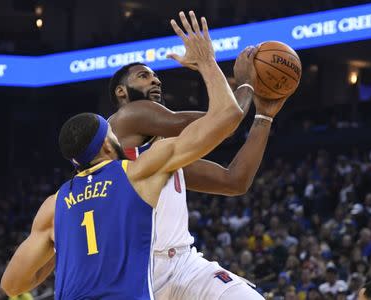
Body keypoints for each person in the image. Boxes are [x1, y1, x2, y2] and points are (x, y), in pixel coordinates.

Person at [1, 11, 245, 299]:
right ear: (107, 145)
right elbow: (227, 117)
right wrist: (206, 61)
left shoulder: (55, 206)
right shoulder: (138, 174)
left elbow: (12, 285)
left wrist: (61, 250)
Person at [108, 17, 289, 300]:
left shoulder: (165, 154)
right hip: (135, 269)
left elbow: (234, 181)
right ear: (121, 91)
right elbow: (224, 122)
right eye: (143, 75)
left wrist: (264, 116)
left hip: (183, 264)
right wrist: (240, 81)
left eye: (156, 76)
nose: (155, 79)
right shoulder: (125, 119)